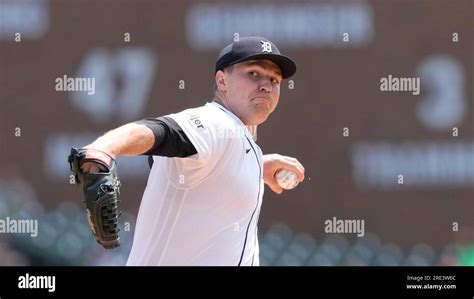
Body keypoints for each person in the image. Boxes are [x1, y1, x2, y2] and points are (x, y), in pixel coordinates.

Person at [80, 36, 305, 266]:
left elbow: (192, 168)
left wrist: (256, 167)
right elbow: (161, 131)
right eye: (254, 73)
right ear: (222, 81)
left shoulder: (233, 141)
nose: (266, 85)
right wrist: (102, 149)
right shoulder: (217, 122)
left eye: (275, 80)